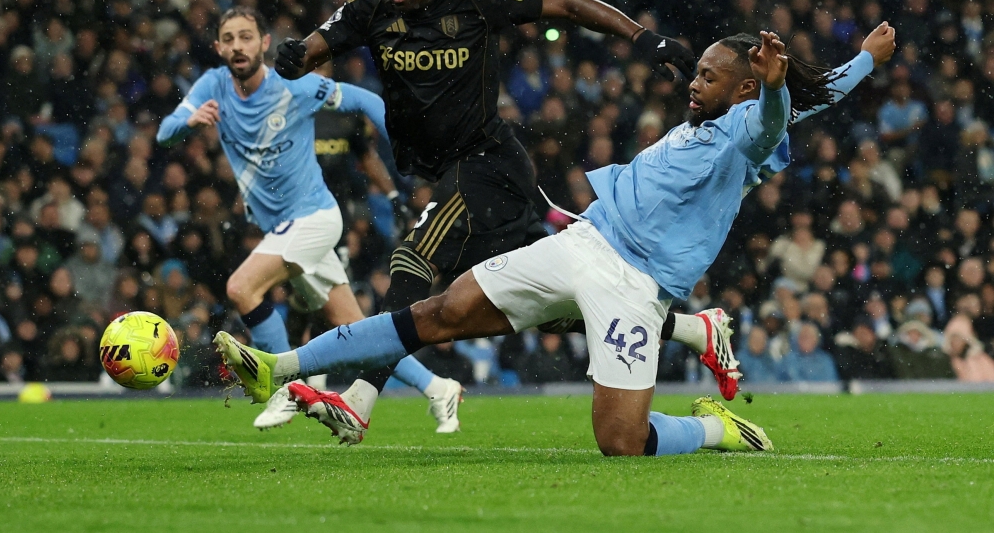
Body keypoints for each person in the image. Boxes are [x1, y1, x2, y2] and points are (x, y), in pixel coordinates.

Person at [217, 23, 896, 456]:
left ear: (746, 86)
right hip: (582, 241)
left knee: (621, 443)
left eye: (708, 78)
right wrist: (863, 57)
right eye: (696, 73)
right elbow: (816, 90)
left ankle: (717, 427)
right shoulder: (713, 114)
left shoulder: (751, 130)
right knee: (437, 311)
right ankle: (277, 368)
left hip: (636, 288)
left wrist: (806, 80)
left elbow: (788, 109)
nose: (693, 84)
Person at [272, 0, 719, 439]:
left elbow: (569, 5)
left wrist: (646, 40)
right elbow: (309, 51)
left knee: (412, 257)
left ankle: (359, 400)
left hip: (487, 161)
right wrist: (293, 57)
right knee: (539, 303)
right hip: (462, 173)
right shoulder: (368, 11)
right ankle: (694, 329)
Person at [157, 6, 461, 433]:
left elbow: (365, 100)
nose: (237, 45)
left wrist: (406, 148)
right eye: (229, 38)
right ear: (218, 47)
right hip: (283, 229)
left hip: (315, 219)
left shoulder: (294, 87)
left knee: (241, 287)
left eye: (246, 36)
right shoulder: (213, 86)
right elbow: (164, 131)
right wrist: (188, 123)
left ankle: (284, 388)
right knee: (355, 330)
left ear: (263, 43)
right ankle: (438, 387)